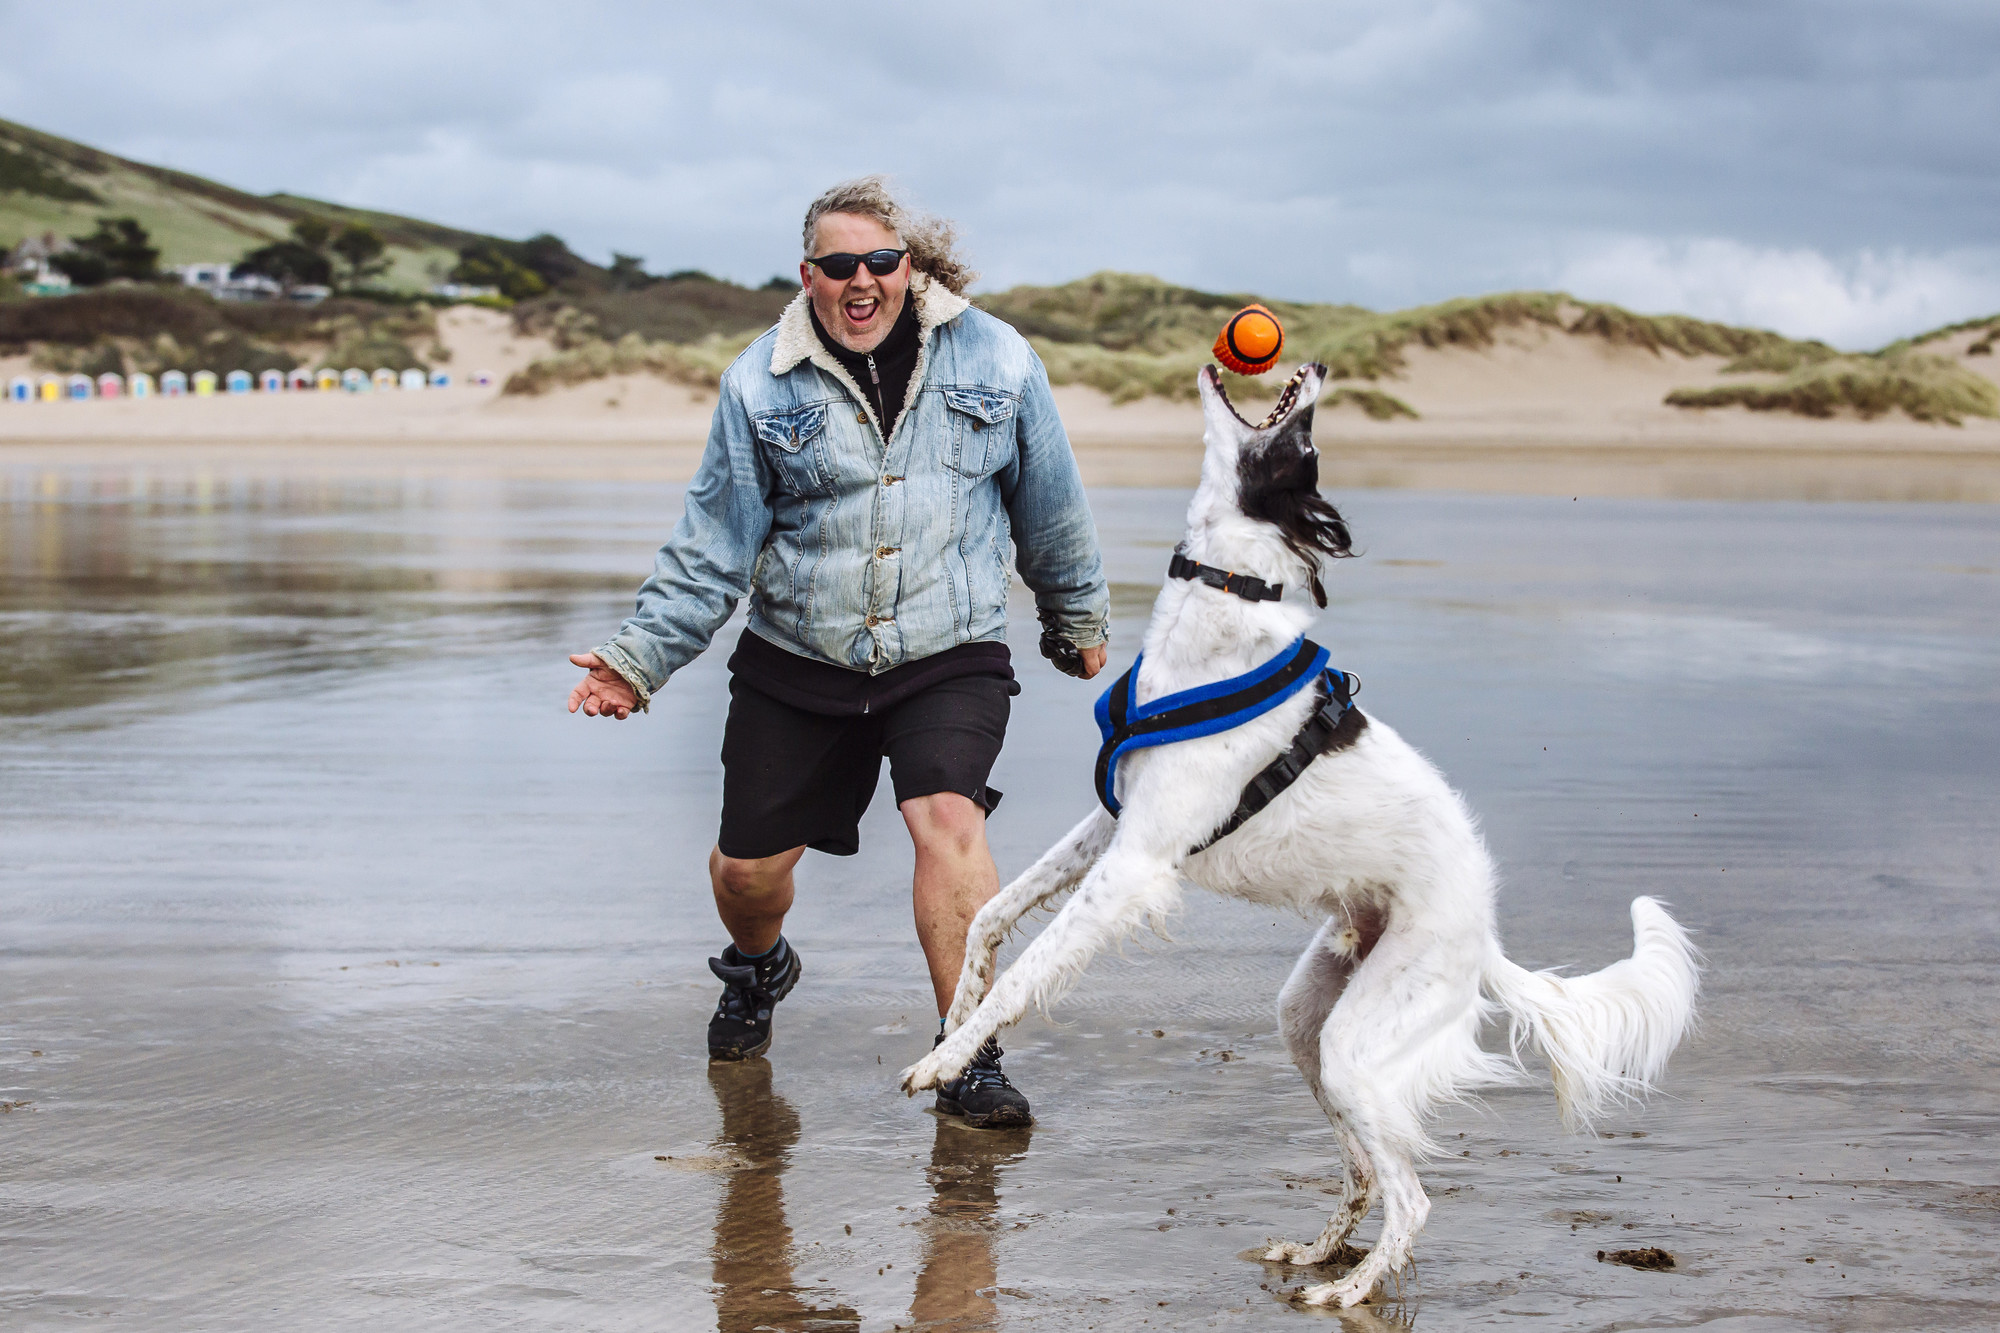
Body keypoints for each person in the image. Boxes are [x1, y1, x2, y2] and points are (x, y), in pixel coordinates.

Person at [566, 177, 1109, 1127]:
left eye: (881, 262)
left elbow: (1051, 504)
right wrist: (636, 659)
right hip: (798, 654)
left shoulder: (998, 356)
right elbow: (713, 546)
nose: (862, 281)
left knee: (948, 817)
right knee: (748, 872)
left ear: (912, 267)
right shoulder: (757, 381)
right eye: (838, 264)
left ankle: (969, 1045)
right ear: (807, 274)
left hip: (948, 644)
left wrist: (1076, 619)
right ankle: (757, 964)